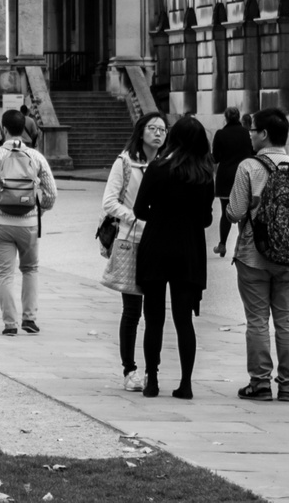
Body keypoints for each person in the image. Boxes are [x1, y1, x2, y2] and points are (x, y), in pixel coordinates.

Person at [228, 106, 289, 402]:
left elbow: (236, 212)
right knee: (286, 319)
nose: (250, 135)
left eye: (253, 131)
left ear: (264, 134)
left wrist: (238, 213)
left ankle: (260, 383)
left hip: (253, 256)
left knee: (256, 320)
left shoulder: (248, 168)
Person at [131, 114, 214, 400]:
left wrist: (160, 214)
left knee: (154, 318)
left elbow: (140, 210)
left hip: (156, 244)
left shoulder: (158, 168)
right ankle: (186, 383)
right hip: (189, 249)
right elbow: (205, 219)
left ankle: (152, 379)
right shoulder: (204, 175)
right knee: (183, 320)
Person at [0, 108, 58, 337]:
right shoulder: (36, 157)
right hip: (28, 224)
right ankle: (29, 318)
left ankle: (10, 323)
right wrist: (37, 211)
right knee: (30, 269)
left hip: (0, 223)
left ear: (3, 129)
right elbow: (52, 194)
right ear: (25, 128)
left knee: (5, 274)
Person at [100, 111, 168, 391]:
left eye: (163, 129)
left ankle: (153, 369)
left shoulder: (167, 163)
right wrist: (135, 218)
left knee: (155, 311)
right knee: (132, 311)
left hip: (159, 242)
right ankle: (130, 370)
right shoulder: (126, 162)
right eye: (152, 128)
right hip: (132, 239)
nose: (158, 133)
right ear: (141, 132)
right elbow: (109, 202)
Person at [212, 106, 254, 257]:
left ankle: (222, 245)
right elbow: (253, 152)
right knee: (244, 211)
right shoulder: (247, 134)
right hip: (244, 175)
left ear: (226, 118)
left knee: (225, 212)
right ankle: (244, 245)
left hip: (226, 177)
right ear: (238, 117)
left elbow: (215, 158)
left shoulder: (221, 134)